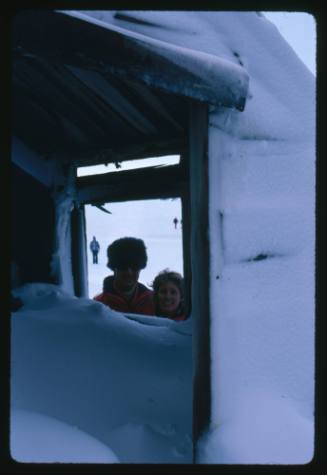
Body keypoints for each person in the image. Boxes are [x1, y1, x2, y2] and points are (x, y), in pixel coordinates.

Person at [94, 237, 155, 315]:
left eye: (134, 266)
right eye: (123, 266)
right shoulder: (99, 305)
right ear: (114, 268)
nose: (129, 272)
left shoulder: (154, 301)